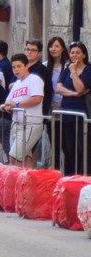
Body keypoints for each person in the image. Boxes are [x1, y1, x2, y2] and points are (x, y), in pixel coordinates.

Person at [3, 53, 45, 168]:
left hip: (30, 124)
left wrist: (16, 104)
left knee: (14, 157)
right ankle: (27, 184)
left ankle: (16, 185)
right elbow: (8, 101)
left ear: (26, 66)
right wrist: (6, 106)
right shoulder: (16, 83)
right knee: (25, 158)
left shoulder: (35, 79)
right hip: (16, 124)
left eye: (19, 66)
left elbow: (37, 98)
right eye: (13, 67)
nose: (16, 69)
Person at [55, 42, 91, 174]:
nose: (74, 55)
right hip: (67, 115)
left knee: (83, 149)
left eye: (77, 52)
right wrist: (73, 94)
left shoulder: (88, 70)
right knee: (69, 149)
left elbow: (81, 88)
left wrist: (74, 72)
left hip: (82, 116)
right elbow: (58, 88)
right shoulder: (66, 69)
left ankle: (83, 176)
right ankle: (70, 177)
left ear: (84, 55)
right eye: (72, 52)